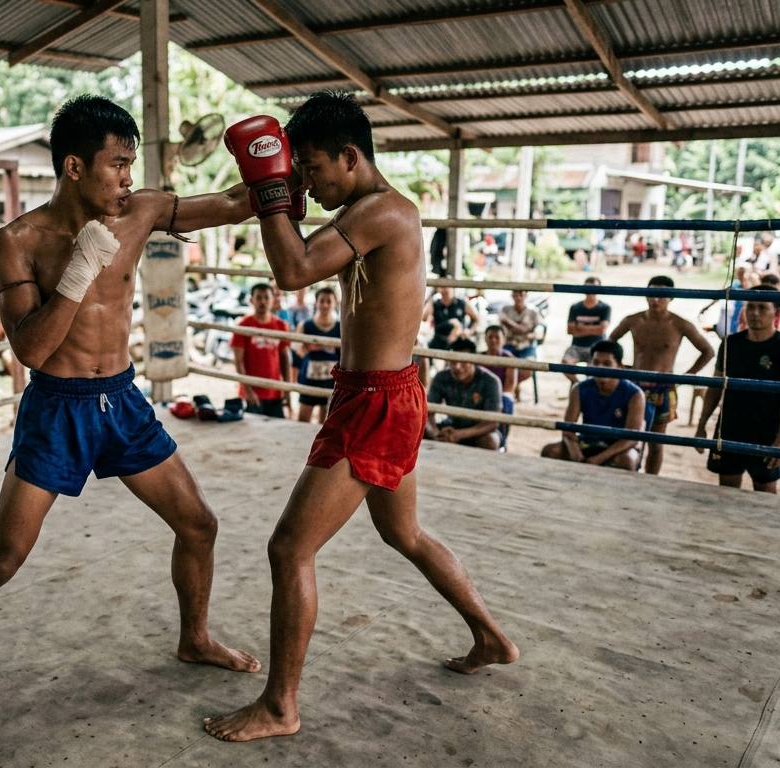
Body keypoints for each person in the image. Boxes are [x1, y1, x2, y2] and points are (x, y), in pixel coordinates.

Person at [0, 95, 261, 740]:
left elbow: (233, 204)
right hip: (56, 409)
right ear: (73, 166)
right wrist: (82, 267)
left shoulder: (142, 211)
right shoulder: (18, 241)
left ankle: (194, 637)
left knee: (199, 524)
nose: (126, 179)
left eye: (130, 165)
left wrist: (278, 170)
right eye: (116, 165)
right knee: (2, 558)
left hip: (121, 400)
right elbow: (31, 349)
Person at [204, 92, 516, 743]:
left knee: (290, 548)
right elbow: (300, 252)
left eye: (314, 169)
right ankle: (489, 636)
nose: (309, 184)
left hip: (376, 402)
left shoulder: (384, 212)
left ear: (351, 156)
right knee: (405, 534)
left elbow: (291, 270)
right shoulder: (370, 211)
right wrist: (278, 191)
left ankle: (281, 705)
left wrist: (269, 189)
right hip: (377, 393)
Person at [694, 285, 780, 493]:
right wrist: (702, 424)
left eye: (762, 308)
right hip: (731, 426)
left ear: (777, 312)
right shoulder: (730, 344)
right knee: (727, 492)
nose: (754, 313)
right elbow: (716, 387)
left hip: (767, 431)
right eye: (750, 306)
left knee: (765, 492)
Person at [607, 276, 714, 474]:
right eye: (652, 294)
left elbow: (708, 351)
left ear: (671, 298)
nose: (655, 300)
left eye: (662, 296)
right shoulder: (633, 320)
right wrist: (620, 366)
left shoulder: (680, 324)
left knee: (656, 442)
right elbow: (610, 342)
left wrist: (689, 375)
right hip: (635, 385)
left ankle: (651, 479)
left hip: (664, 386)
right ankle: (627, 475)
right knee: (630, 436)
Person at [541, 340, 644, 470]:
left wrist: (598, 459)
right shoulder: (580, 389)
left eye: (607, 364)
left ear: (620, 366)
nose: (600, 368)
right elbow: (568, 429)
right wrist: (576, 455)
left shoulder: (635, 394)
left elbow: (632, 438)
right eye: (596, 363)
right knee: (551, 451)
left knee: (627, 460)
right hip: (588, 443)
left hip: (616, 448)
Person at [425, 338, 503, 450]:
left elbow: (492, 423)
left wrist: (460, 434)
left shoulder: (491, 381)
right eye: (453, 361)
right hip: (451, 426)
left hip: (478, 431)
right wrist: (435, 433)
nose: (457, 367)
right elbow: (428, 413)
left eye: (463, 361)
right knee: (418, 428)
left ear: (473, 360)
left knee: (490, 440)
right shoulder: (441, 377)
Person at [233, 282, 293, 418]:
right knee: (252, 435)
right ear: (251, 300)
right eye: (259, 298)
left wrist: (287, 389)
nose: (263, 301)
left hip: (275, 391)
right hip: (252, 393)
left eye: (266, 297)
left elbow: (285, 358)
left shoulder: (280, 325)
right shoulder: (244, 325)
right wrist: (248, 390)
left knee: (276, 432)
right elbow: (238, 361)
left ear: (273, 300)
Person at [296, 286, 341, 423]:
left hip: (331, 379)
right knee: (303, 418)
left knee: (325, 421)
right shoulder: (305, 325)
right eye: (322, 301)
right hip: (310, 377)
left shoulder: (341, 327)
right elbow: (298, 349)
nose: (325, 304)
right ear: (316, 303)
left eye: (329, 301)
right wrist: (310, 351)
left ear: (335, 303)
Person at [561, 276, 611, 382]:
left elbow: (602, 330)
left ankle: (587, 387)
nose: (591, 291)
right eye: (588, 288)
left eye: (594, 288)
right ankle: (577, 384)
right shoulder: (575, 307)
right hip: (577, 346)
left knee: (593, 371)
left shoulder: (605, 308)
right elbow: (570, 330)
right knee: (565, 364)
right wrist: (594, 329)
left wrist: (580, 328)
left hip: (596, 349)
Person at [498, 289, 540, 401]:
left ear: (526, 296)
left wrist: (511, 325)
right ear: (512, 296)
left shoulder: (533, 311)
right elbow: (503, 329)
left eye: (521, 294)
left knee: (528, 368)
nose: (518, 297)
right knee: (501, 365)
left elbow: (539, 333)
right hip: (509, 345)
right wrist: (524, 330)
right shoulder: (505, 310)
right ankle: (510, 390)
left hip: (527, 346)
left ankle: (513, 386)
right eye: (516, 295)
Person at [422, 284, 479, 351]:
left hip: (458, 340)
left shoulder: (461, 303)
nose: (446, 289)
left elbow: (476, 319)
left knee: (470, 347)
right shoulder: (435, 304)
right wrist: (431, 298)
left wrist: (469, 331)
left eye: (448, 286)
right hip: (439, 340)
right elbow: (423, 317)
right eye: (443, 287)